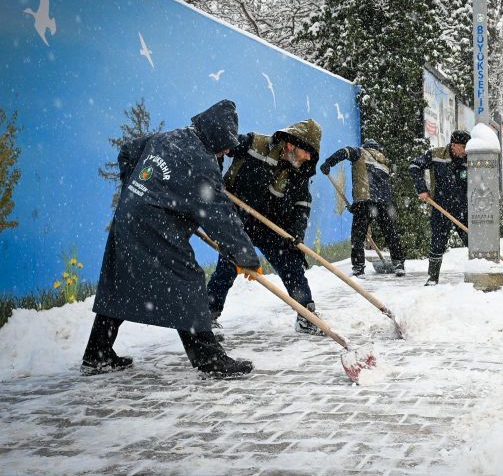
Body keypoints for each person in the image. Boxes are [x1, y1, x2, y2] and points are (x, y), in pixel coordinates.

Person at [82, 99, 262, 378]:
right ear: (215, 135)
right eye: (225, 143)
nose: (227, 149)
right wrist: (246, 256)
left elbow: (128, 152)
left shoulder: (170, 137)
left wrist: (138, 187)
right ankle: (210, 360)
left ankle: (98, 353)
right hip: (154, 226)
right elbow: (219, 216)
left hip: (129, 215)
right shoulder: (200, 161)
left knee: (121, 281)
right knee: (186, 280)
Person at [206, 118, 326, 336]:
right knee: (227, 267)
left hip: (269, 225)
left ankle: (306, 316)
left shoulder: (300, 169)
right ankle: (207, 316)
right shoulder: (253, 144)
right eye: (307, 151)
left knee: (291, 265)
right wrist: (214, 180)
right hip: (238, 219)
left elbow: (302, 204)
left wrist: (296, 234)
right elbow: (218, 148)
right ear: (292, 144)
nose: (309, 157)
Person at [320, 139, 405, 277]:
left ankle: (358, 268)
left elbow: (344, 152)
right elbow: (378, 187)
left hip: (365, 202)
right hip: (385, 203)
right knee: (391, 234)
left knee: (358, 237)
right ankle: (399, 264)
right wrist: (356, 206)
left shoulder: (360, 152)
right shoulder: (384, 163)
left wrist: (329, 162)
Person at [409, 130, 471, 286]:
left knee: (472, 241)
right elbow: (414, 165)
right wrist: (422, 189)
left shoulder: (471, 158)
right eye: (463, 147)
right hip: (441, 206)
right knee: (437, 242)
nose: (465, 151)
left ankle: (479, 272)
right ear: (454, 145)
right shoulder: (437, 155)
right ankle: (432, 278)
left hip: (462, 208)